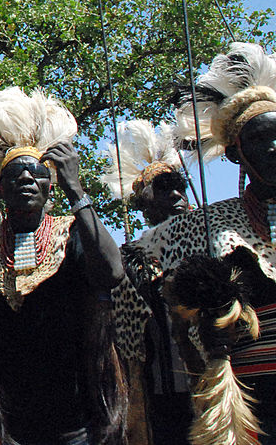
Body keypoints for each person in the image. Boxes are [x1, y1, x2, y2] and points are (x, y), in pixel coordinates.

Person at [0, 87, 127, 444]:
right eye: (15, 176)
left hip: (77, 422)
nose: (26, 179)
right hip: (10, 425)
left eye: (36, 174)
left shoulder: (72, 235)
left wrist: (77, 190)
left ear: (50, 186)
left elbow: (111, 273)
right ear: (0, 189)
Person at [132, 43, 276, 444]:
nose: (274, 149)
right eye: (261, 140)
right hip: (250, 406)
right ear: (236, 155)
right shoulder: (203, 230)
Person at [102, 120, 194, 445]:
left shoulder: (208, 239)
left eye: (179, 187)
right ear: (145, 205)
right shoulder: (131, 256)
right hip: (160, 387)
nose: (176, 196)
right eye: (164, 190)